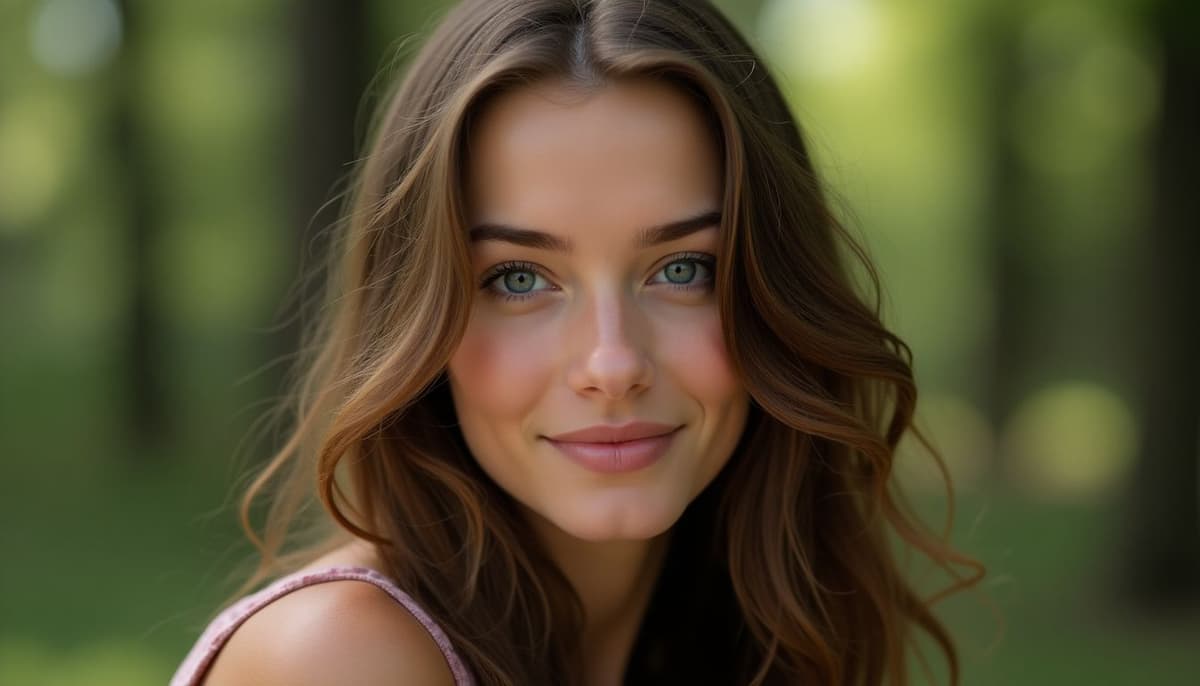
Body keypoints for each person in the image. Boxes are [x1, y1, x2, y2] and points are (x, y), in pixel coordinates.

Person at [171, 0, 984, 684]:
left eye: (684, 269)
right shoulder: (341, 658)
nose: (613, 364)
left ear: (775, 295)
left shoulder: (743, 639)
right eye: (519, 279)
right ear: (419, 325)